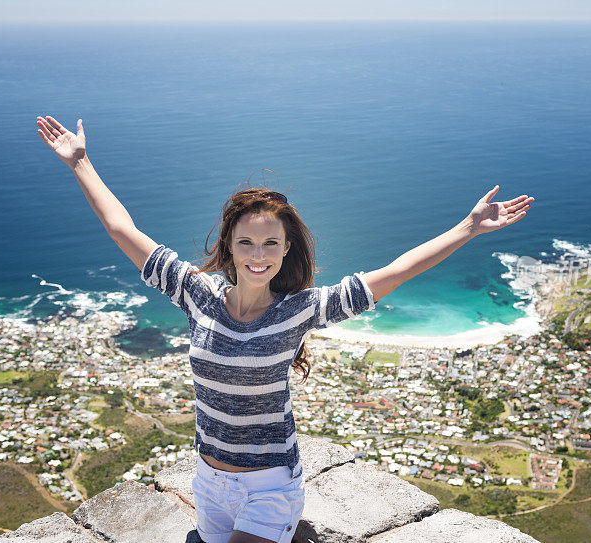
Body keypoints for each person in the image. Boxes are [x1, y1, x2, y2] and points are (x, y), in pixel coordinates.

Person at [36, 115, 534, 543]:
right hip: (208, 482)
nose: (258, 255)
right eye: (247, 242)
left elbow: (395, 272)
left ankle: (283, 523)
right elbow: (124, 230)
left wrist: (468, 228)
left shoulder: (299, 309)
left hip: (270, 483)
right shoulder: (197, 294)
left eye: (271, 243)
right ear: (228, 245)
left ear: (286, 249)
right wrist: (79, 161)